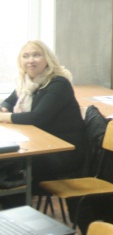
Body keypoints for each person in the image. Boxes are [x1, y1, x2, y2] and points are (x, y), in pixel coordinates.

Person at [0, 41, 86, 185]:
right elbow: (9, 102)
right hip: (38, 143)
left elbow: (37, 118)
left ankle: (19, 197)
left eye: (36, 55)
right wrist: (3, 108)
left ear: (47, 59)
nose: (31, 60)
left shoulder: (58, 83)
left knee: (7, 161)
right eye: (25, 56)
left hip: (62, 151)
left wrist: (3, 116)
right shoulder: (27, 83)